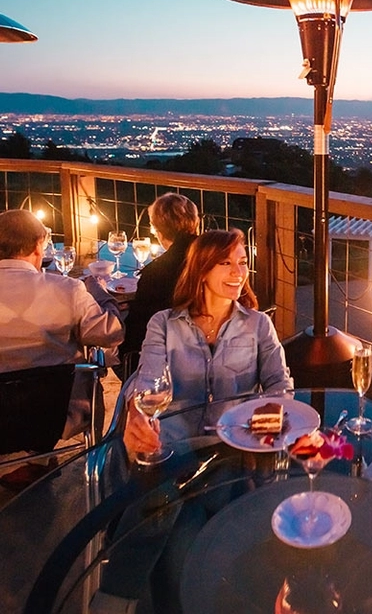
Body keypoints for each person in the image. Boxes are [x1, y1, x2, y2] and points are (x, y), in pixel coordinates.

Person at [123, 228, 293, 457]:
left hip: (236, 447)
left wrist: (270, 416)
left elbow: (279, 383)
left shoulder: (259, 324)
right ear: (201, 270)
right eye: (225, 263)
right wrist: (136, 413)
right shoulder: (163, 323)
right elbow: (148, 383)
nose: (238, 272)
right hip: (172, 447)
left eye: (242, 262)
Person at [0, 209, 124, 487]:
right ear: (38, 245)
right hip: (58, 416)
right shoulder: (68, 289)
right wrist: (103, 298)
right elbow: (110, 334)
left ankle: (19, 463)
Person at [119, 192, 199, 377]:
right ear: (195, 222)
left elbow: (139, 331)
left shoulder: (156, 273)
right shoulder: (216, 257)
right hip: (214, 349)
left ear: (157, 229)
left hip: (168, 362)